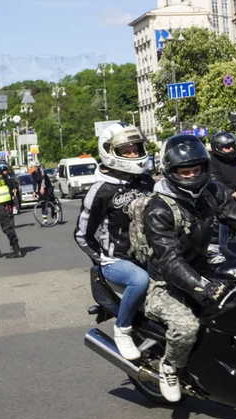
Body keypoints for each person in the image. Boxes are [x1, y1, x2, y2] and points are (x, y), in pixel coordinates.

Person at [143, 134, 236, 402]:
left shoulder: (211, 192)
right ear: (171, 172)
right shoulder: (159, 208)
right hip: (165, 281)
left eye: (197, 169)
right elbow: (169, 261)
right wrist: (201, 286)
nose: (192, 175)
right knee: (186, 326)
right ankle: (170, 367)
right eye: (185, 171)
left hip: (203, 265)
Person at [74, 123, 154, 361]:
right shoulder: (101, 190)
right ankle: (123, 329)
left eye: (136, 148)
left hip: (152, 254)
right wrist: (102, 259)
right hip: (118, 260)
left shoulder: (147, 182)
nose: (134, 154)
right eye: (126, 150)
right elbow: (82, 234)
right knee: (139, 279)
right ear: (110, 151)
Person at [208, 132, 236, 249]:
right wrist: (230, 192)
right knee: (227, 234)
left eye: (232, 145)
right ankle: (225, 251)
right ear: (217, 147)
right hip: (223, 204)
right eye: (227, 147)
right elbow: (215, 181)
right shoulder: (212, 162)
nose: (231, 148)